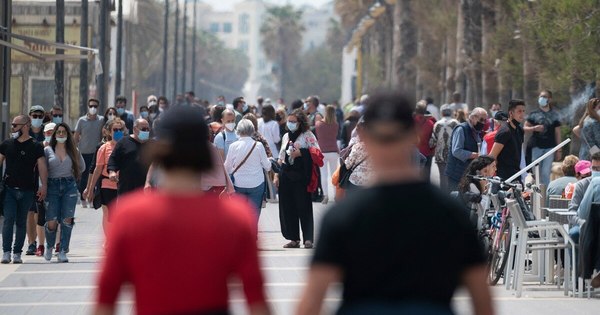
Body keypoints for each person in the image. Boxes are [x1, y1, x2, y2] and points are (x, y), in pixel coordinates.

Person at [296, 91, 492, 315]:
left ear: (365, 140)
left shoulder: (343, 216)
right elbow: (482, 300)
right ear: (414, 136)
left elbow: (311, 302)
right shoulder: (450, 212)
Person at [94, 106, 270, 315]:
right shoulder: (235, 217)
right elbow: (256, 300)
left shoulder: (130, 216)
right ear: (205, 150)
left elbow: (105, 300)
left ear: (160, 151)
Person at [0, 115, 48, 264]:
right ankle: (6, 252)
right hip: (9, 190)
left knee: (21, 222)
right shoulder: (7, 144)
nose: (13, 128)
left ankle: (17, 253)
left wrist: (44, 185)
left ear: (26, 126)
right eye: (12, 125)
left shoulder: (35, 145)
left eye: (15, 125)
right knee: (8, 220)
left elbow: (42, 166)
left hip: (28, 191)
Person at [274, 109, 320, 249]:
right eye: (289, 121)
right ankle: (294, 238)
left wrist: (302, 153)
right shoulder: (286, 136)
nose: (290, 124)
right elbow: (281, 157)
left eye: (294, 121)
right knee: (288, 208)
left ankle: (308, 239)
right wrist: (276, 175)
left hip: (301, 178)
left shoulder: (307, 135)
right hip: (286, 176)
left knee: (304, 207)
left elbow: (317, 153)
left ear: (300, 123)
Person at [43, 123, 85, 263]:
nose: (61, 134)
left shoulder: (74, 150)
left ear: (68, 135)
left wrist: (73, 174)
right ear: (54, 135)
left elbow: (82, 167)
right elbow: (42, 170)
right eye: (58, 132)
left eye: (64, 132)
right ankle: (49, 246)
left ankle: (63, 250)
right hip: (52, 186)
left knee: (67, 219)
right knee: (52, 221)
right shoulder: (47, 150)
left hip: (69, 186)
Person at [84, 119, 123, 238]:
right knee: (108, 215)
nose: (118, 132)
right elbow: (97, 170)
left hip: (123, 186)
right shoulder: (104, 148)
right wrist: (90, 189)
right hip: (107, 185)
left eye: (120, 130)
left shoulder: (127, 146)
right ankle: (109, 240)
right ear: (110, 132)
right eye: (115, 130)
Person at [224, 119, 271, 215]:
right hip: (256, 184)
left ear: (238, 130)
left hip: (238, 184)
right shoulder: (258, 145)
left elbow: (227, 167)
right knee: (253, 215)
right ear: (252, 130)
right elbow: (267, 167)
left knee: (239, 215)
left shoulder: (233, 146)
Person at [524, 90, 562, 186]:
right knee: (536, 173)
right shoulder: (534, 113)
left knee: (545, 173)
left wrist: (559, 150)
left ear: (549, 99)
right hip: (536, 146)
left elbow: (557, 133)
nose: (542, 99)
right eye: (541, 96)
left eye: (544, 97)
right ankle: (535, 195)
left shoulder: (555, 114)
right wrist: (534, 128)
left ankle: (545, 196)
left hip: (549, 147)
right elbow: (524, 127)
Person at [445, 107, 488, 192]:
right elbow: (456, 151)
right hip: (456, 174)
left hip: (467, 173)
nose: (483, 123)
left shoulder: (477, 131)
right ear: (472, 117)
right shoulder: (461, 129)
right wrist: (475, 155)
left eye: (485, 120)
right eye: (481, 119)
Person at [107, 119, 152, 197]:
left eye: (148, 129)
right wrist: (112, 172)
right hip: (127, 188)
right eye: (143, 129)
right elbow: (113, 159)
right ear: (135, 129)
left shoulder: (152, 145)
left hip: (146, 190)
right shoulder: (123, 142)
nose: (146, 131)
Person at [75, 98, 105, 209]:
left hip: (96, 153)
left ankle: (92, 198)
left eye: (95, 106)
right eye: (91, 105)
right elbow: (76, 135)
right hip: (83, 153)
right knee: (84, 177)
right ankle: (83, 198)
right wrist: (74, 149)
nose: (93, 108)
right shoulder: (81, 120)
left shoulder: (101, 120)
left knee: (95, 177)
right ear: (88, 106)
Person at [24, 105, 46, 256]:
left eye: (40, 115)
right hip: (27, 177)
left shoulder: (48, 133)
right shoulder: (25, 132)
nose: (37, 118)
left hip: (44, 176)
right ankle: (31, 243)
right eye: (34, 115)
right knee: (29, 211)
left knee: (40, 212)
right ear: (30, 116)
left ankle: (41, 242)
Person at [490, 100, 526, 182]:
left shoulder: (520, 130)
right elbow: (492, 156)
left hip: (517, 175)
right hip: (505, 178)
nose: (522, 114)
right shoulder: (505, 131)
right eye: (519, 111)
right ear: (511, 113)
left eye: (523, 111)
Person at [430, 107, 460, 192]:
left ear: (442, 113)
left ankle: (444, 197)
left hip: (440, 155)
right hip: (453, 154)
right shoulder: (456, 123)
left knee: (442, 177)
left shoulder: (437, 124)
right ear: (450, 113)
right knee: (452, 177)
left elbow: (432, 141)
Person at [315, 105, 339, 204]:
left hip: (323, 152)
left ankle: (325, 196)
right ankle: (336, 195)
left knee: (323, 175)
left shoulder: (318, 124)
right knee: (334, 175)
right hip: (334, 151)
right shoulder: (336, 124)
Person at [414, 100, 436, 182]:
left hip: (412, 153)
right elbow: (433, 140)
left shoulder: (410, 122)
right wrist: (432, 151)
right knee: (426, 179)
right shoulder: (430, 123)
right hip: (427, 153)